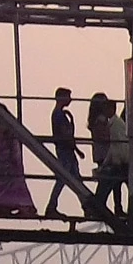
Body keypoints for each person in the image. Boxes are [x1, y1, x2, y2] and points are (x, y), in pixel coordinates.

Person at [44, 86, 83, 216]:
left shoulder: (59, 114)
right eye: (68, 97)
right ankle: (52, 205)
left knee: (74, 178)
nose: (70, 99)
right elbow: (66, 134)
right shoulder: (59, 115)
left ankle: (86, 205)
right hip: (65, 150)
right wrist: (76, 149)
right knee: (65, 178)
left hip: (66, 150)